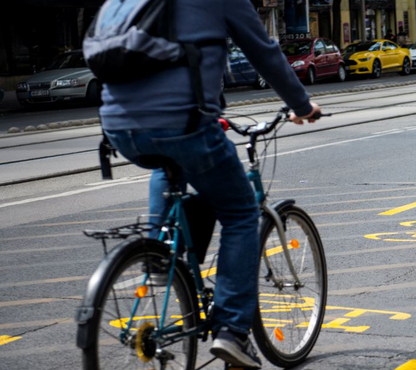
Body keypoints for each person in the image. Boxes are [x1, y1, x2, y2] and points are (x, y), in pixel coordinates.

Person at [99, 0, 321, 367]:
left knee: (166, 165)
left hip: (118, 127)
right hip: (184, 121)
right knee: (240, 212)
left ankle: (157, 257)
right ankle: (232, 331)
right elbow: (264, 52)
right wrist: (301, 104)